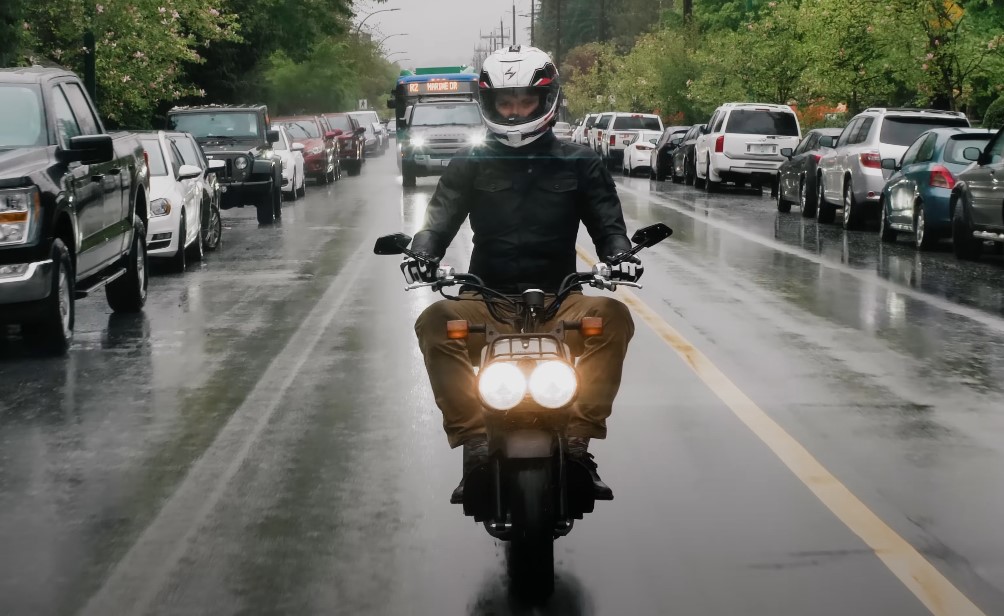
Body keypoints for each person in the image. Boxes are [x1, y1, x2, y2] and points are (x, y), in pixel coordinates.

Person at [404, 45, 643, 503]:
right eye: (506, 102)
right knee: (433, 321)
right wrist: (423, 253)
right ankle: (474, 443)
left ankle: (578, 442)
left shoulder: (581, 162)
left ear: (546, 100)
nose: (515, 112)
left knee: (613, 315)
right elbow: (437, 222)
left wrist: (620, 255)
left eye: (525, 101)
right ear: (490, 104)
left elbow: (608, 226)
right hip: (485, 299)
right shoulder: (468, 164)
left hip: (560, 300)